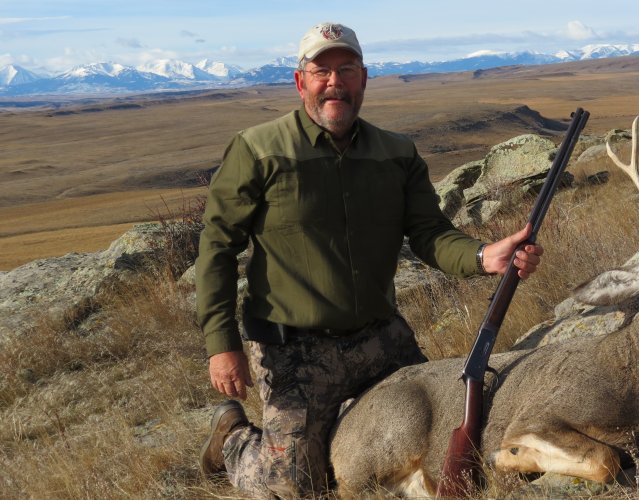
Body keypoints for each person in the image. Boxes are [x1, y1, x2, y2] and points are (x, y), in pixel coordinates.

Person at [196, 22, 544, 497]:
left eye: (346, 70)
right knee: (298, 487)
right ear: (300, 82)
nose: (334, 82)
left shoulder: (396, 153)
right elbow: (218, 247)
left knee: (450, 441)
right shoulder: (258, 150)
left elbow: (429, 233)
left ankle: (335, 428)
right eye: (321, 71)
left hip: (381, 339)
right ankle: (233, 438)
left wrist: (484, 256)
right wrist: (222, 344)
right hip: (294, 350)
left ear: (363, 78)